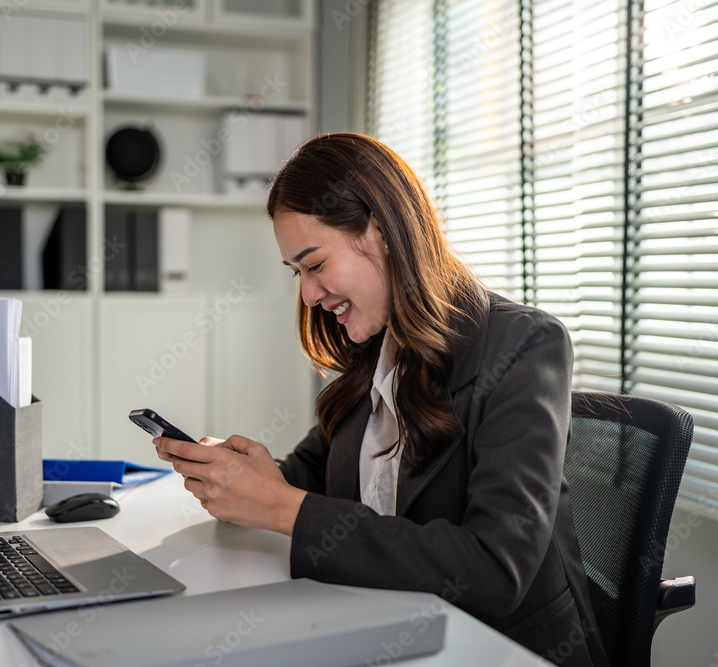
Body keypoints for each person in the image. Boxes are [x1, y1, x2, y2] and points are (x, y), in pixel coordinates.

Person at [153, 132, 609, 667]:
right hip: (384, 629)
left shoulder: (524, 346)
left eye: (315, 264)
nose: (308, 296)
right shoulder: (374, 349)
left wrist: (284, 509)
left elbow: (494, 568)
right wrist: (246, 478)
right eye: (297, 273)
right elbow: (309, 477)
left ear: (383, 232)